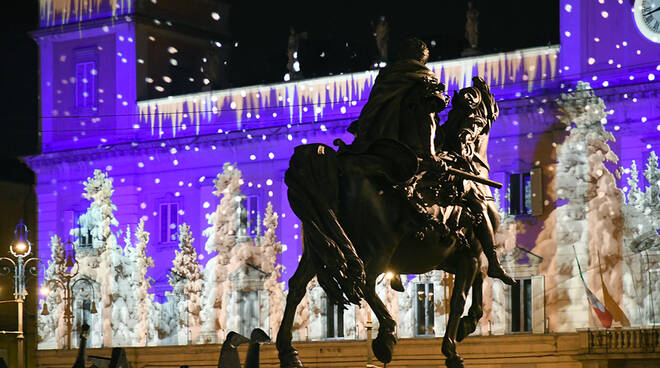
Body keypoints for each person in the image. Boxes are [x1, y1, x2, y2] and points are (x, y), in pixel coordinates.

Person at [437, 76, 516, 285]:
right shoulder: (470, 120)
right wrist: (463, 144)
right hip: (456, 170)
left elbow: (457, 134)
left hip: (443, 166)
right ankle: (493, 261)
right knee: (479, 206)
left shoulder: (456, 120)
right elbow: (467, 135)